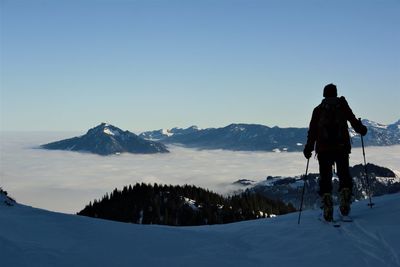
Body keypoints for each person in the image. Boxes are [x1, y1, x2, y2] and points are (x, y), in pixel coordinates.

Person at [303, 83, 367, 222]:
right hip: (341, 147)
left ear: (324, 94)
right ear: (336, 93)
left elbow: (312, 131)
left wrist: (308, 148)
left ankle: (327, 204)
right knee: (344, 174)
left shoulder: (318, 110)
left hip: (324, 149)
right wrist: (361, 129)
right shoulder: (342, 106)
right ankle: (345, 198)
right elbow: (353, 121)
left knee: (325, 178)